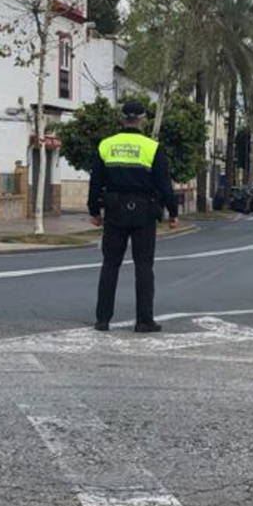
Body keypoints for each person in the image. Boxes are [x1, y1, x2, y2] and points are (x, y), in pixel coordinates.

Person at [88, 101, 179, 333]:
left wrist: (94, 211)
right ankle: (144, 320)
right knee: (144, 266)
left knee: (110, 264)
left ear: (121, 118)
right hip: (144, 212)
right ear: (142, 119)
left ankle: (102, 319)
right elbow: (164, 184)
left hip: (114, 210)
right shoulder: (152, 147)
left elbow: (96, 182)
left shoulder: (106, 145)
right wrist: (173, 213)